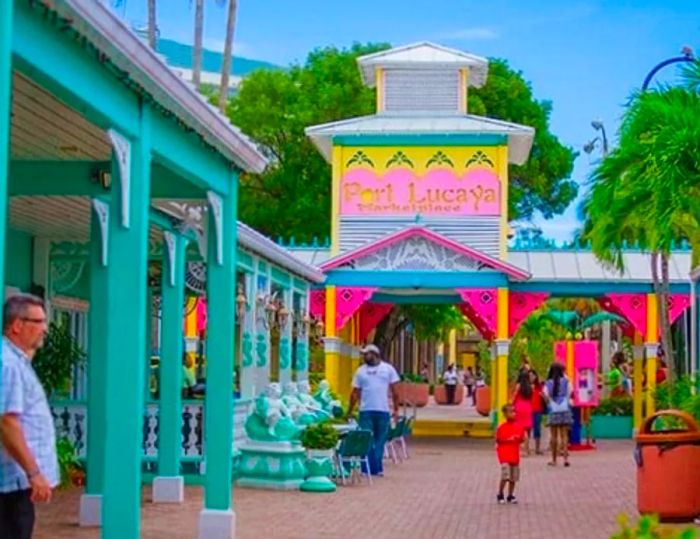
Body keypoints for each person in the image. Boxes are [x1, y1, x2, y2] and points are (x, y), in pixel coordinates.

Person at [0, 294, 58, 539]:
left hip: (16, 481)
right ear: (16, 325)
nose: (45, 329)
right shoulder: (9, 365)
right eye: (38, 322)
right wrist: (33, 473)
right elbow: (6, 422)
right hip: (13, 481)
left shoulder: (16, 360)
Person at [347, 344, 400, 477]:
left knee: (380, 440)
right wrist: (350, 410)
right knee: (367, 439)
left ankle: (376, 467)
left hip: (383, 411)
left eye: (367, 354)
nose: (364, 356)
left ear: (375, 354)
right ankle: (367, 469)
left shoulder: (388, 369)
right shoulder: (360, 371)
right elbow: (355, 393)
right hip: (366, 411)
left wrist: (396, 409)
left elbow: (395, 391)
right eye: (364, 354)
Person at [543, 362, 574, 467]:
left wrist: (550, 403)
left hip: (554, 409)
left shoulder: (548, 383)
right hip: (564, 408)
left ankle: (554, 460)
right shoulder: (566, 381)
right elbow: (570, 393)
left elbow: (546, 396)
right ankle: (565, 458)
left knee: (554, 436)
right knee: (564, 435)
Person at [495, 403, 524, 504]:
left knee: (513, 477)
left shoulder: (519, 426)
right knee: (505, 475)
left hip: (514, 455)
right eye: (511, 412)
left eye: (514, 411)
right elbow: (498, 440)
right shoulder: (501, 427)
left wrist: (519, 439)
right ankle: (500, 493)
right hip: (505, 454)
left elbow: (522, 439)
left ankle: (510, 495)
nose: (513, 414)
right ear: (505, 414)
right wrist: (508, 439)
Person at [511, 369, 533, 456]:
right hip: (528, 407)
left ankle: (520, 450)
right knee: (526, 430)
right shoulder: (530, 387)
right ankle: (527, 450)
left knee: (519, 429)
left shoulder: (518, 386)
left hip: (519, 407)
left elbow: (514, 397)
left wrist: (511, 404)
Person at [529, 369, 546, 455]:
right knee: (527, 429)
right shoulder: (526, 387)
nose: (531, 377)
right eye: (530, 375)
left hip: (537, 410)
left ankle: (537, 448)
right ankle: (527, 447)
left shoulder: (539, 386)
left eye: (533, 375)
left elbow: (545, 398)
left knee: (537, 429)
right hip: (528, 410)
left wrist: (543, 396)